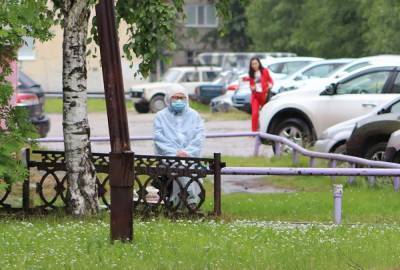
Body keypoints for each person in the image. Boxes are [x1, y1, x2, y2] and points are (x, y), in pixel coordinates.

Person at [153, 88, 204, 209]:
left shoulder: (194, 115)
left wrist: (187, 152)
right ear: (169, 99)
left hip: (190, 156)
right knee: (180, 167)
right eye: (175, 98)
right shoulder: (160, 116)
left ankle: (179, 202)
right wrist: (174, 153)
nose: (179, 100)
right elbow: (159, 139)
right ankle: (191, 199)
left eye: (182, 98)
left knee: (188, 167)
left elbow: (199, 138)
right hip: (168, 157)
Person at [247, 57, 274, 132]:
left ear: (259, 63)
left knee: (265, 113)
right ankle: (254, 132)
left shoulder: (264, 71)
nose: (254, 65)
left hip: (264, 95)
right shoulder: (251, 73)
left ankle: (265, 130)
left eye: (256, 63)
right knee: (255, 113)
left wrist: (270, 85)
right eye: (252, 64)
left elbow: (270, 81)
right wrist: (252, 87)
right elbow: (251, 84)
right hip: (255, 95)